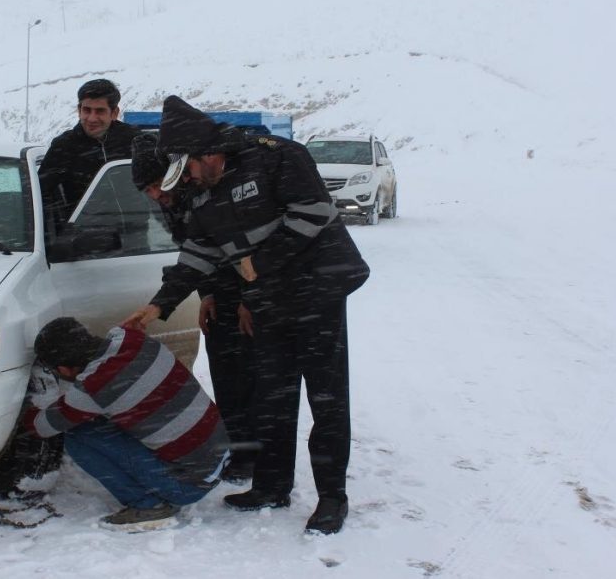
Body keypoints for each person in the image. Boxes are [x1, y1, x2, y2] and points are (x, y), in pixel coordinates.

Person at [123, 95, 370, 536]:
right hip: (270, 300)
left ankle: (332, 498)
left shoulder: (279, 159)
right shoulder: (201, 195)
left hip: (317, 294)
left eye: (192, 168)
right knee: (272, 398)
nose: (189, 179)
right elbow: (197, 253)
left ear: (210, 154)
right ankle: (272, 487)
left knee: (326, 400)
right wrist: (159, 305)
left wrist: (260, 263)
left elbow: (311, 214)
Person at [24, 317, 230, 532]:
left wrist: (24, 407)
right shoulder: (134, 339)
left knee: (77, 436)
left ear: (64, 370)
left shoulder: (94, 387)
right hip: (219, 454)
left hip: (188, 486)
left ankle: (148, 506)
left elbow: (41, 427)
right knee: (107, 417)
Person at [130, 133, 258, 482]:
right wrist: (206, 294)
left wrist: (251, 299)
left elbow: (246, 249)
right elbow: (194, 254)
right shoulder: (170, 203)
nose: (155, 195)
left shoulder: (208, 193)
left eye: (157, 184)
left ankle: (260, 458)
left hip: (251, 289)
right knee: (226, 377)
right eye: (147, 191)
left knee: (253, 379)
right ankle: (239, 452)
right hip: (216, 290)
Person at [38, 78, 140, 230]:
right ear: (79, 110)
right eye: (87, 110)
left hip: (137, 231)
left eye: (100, 111)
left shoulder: (133, 139)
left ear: (114, 113)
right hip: (86, 239)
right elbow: (41, 193)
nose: (92, 118)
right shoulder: (64, 146)